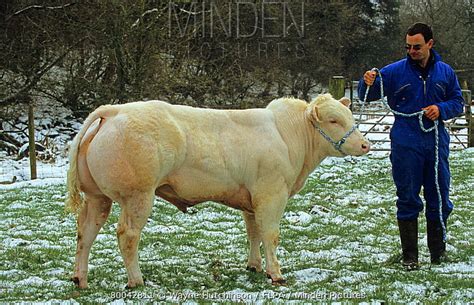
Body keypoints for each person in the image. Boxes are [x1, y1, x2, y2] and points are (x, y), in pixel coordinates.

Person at [358, 22, 464, 270]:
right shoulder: (394, 72)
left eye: (417, 46)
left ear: (430, 43)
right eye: (408, 46)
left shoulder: (446, 72)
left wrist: (441, 109)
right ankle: (410, 256)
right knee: (407, 197)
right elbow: (367, 94)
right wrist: (368, 81)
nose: (412, 51)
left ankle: (438, 252)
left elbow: (457, 102)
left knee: (439, 196)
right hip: (406, 143)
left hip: (436, 143)